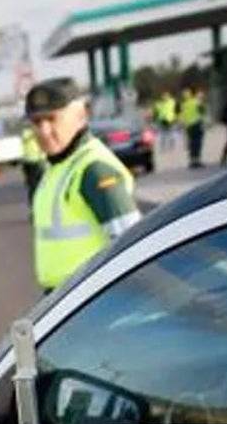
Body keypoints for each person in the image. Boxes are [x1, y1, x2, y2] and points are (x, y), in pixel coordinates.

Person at [25, 77, 141, 294]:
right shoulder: (56, 168)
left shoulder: (93, 170)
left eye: (52, 119)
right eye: (36, 122)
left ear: (80, 116)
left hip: (96, 301)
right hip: (66, 300)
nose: (44, 131)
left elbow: (133, 249)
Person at [181, 86, 206, 169]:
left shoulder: (184, 104)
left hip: (189, 126)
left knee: (192, 143)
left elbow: (183, 116)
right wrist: (201, 100)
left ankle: (192, 161)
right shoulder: (196, 102)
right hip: (196, 124)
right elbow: (203, 111)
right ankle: (197, 160)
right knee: (197, 143)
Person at [21, 125, 46, 206]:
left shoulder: (28, 132)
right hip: (34, 161)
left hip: (34, 160)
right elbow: (27, 138)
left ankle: (35, 202)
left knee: (34, 184)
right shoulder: (27, 133)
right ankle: (35, 203)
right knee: (35, 184)